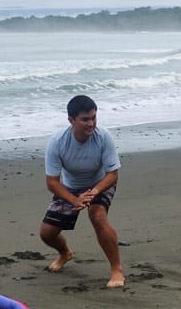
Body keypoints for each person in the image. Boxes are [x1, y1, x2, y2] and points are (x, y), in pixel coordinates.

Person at [40, 94, 125, 288]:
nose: (91, 123)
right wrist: (74, 200)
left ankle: (116, 269)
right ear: (71, 120)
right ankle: (65, 253)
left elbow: (113, 174)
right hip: (70, 187)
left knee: (97, 216)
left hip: (100, 182)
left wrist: (93, 193)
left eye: (94, 117)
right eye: (85, 119)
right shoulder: (58, 141)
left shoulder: (103, 137)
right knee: (47, 233)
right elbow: (52, 182)